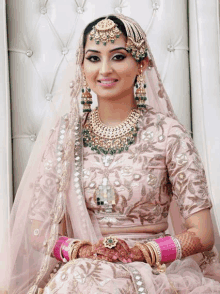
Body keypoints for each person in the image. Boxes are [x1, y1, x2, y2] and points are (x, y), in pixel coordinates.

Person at [2, 15, 220, 294]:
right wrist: (81, 250)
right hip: (83, 269)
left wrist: (142, 252)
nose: (105, 69)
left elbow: (202, 235)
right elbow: (38, 232)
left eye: (118, 56)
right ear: (82, 66)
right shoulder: (65, 137)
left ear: (142, 63)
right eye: (94, 58)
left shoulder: (169, 134)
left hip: (156, 269)